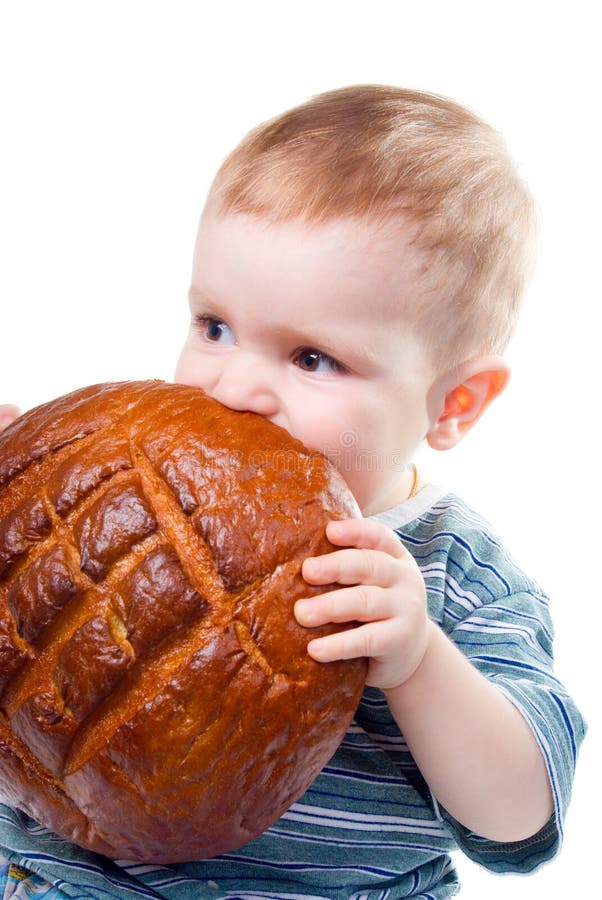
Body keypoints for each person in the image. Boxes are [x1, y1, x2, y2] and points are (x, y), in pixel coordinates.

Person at [0, 85, 586, 899]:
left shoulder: (454, 571)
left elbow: (521, 821)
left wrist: (418, 664)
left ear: (455, 402)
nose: (236, 386)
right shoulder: (121, 470)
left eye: (311, 358)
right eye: (215, 326)